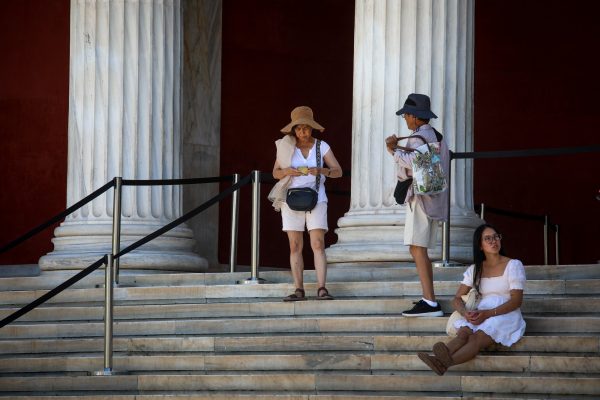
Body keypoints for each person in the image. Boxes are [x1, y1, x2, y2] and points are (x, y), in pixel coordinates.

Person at [417, 224, 527, 375]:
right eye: (488, 238)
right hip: (481, 311)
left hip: (505, 313)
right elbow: (456, 298)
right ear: (480, 246)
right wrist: (465, 313)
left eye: (496, 237)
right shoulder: (475, 269)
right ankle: (439, 361)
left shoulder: (513, 265)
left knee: (476, 339)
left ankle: (443, 363)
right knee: (463, 333)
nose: (493, 241)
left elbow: (516, 301)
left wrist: (488, 314)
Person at [384, 93, 450, 317]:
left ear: (414, 116)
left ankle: (429, 301)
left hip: (420, 197)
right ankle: (428, 298)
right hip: (434, 197)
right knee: (419, 247)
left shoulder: (417, 138)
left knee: (416, 247)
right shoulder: (437, 136)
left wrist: (393, 150)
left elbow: (411, 166)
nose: (405, 119)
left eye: (406, 115)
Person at [269, 106, 342, 301]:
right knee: (294, 245)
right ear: (294, 130)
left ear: (312, 128)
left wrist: (322, 171)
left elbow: (338, 171)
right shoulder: (286, 147)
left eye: (306, 128)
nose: (303, 132)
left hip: (317, 197)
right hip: (291, 199)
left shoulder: (321, 147)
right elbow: (275, 173)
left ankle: (322, 288)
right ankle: (298, 289)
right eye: (299, 128)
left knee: (318, 243)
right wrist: (287, 172)